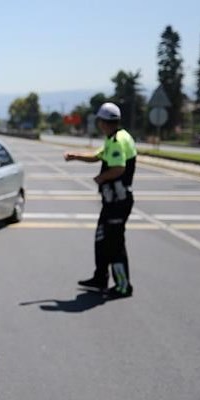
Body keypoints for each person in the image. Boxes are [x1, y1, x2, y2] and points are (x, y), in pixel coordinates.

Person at [63, 102, 137, 298]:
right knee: (102, 239)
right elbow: (98, 156)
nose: (98, 125)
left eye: (99, 121)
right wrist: (76, 156)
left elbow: (119, 168)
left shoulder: (117, 141)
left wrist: (101, 178)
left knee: (115, 243)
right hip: (112, 201)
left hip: (118, 201)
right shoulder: (116, 137)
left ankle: (123, 286)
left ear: (104, 122)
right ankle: (100, 278)